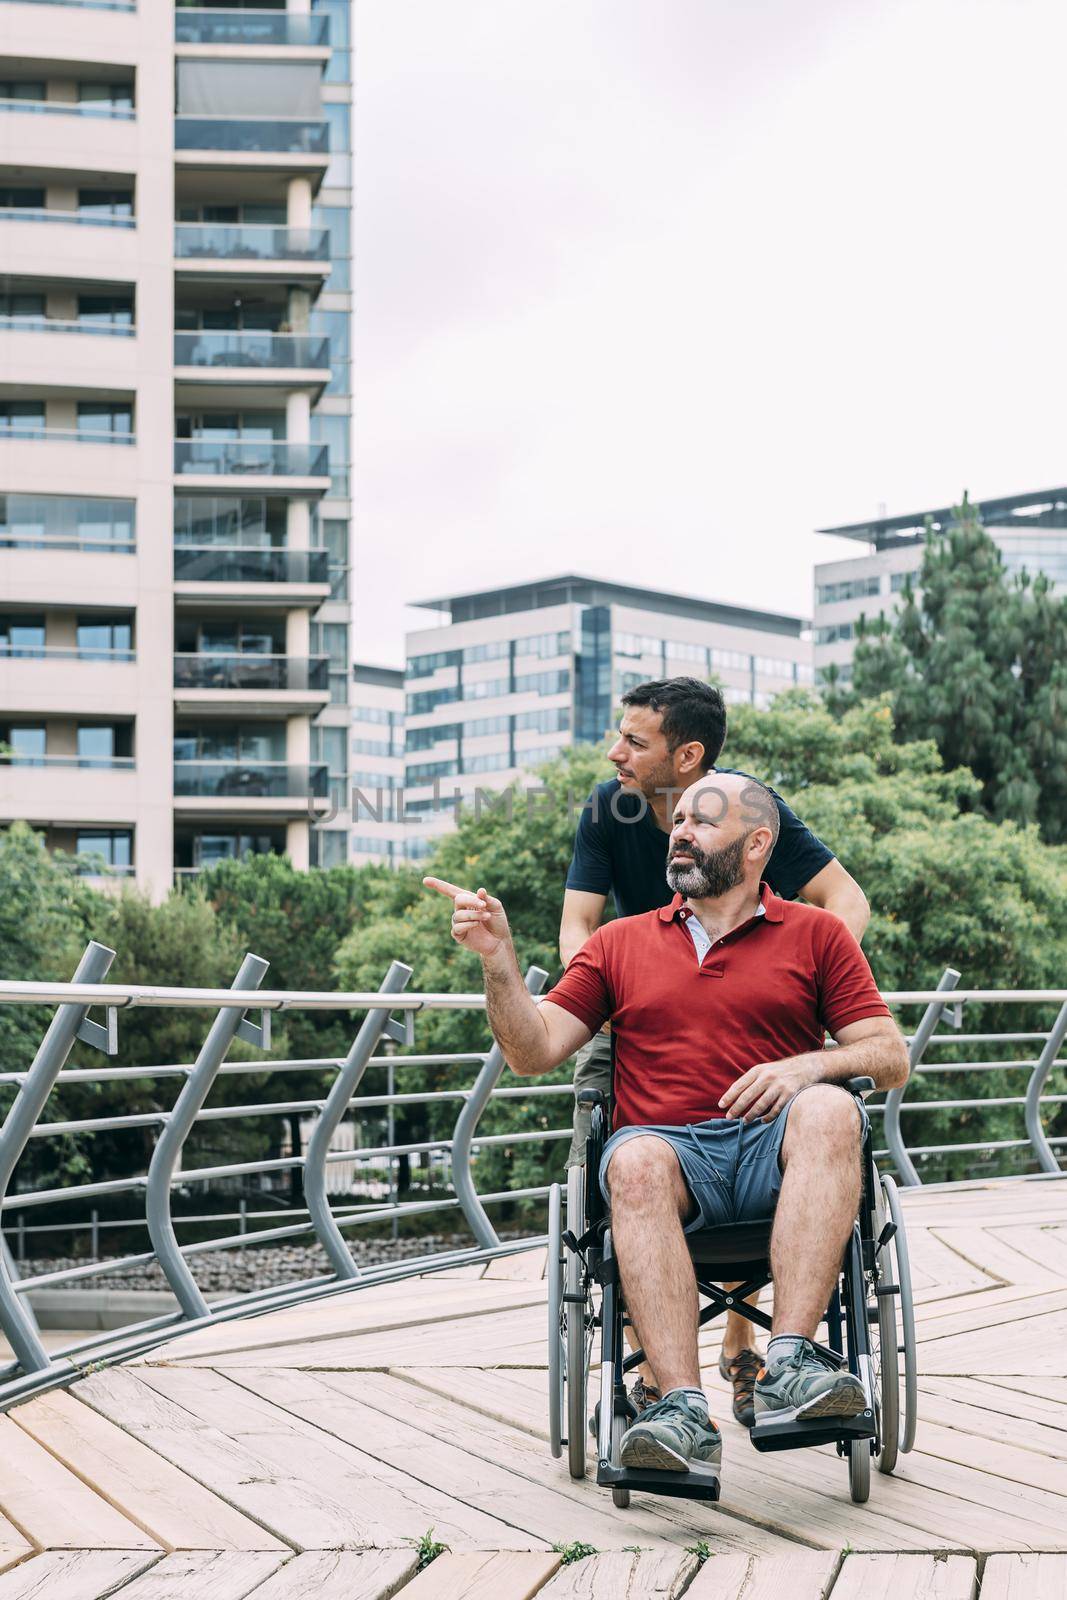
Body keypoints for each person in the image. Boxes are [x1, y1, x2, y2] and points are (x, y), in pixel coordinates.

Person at [425, 771, 907, 1479]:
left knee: (834, 1107)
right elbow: (532, 1052)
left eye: (702, 820)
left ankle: (791, 1364)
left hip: (778, 1149)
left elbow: (888, 1055)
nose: (679, 830)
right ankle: (680, 1410)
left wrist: (805, 1068)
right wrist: (498, 963)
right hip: (671, 1157)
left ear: (756, 845)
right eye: (677, 818)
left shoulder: (816, 936)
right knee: (631, 1162)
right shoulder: (617, 944)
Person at [561, 676, 870, 1428]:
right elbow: (578, 922)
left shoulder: (747, 809)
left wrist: (805, 983)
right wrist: (597, 1001)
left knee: (779, 1117)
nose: (616, 753)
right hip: (637, 986)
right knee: (606, 1134)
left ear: (687, 755)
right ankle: (646, 1353)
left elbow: (846, 901)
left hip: (744, 989)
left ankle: (747, 1338)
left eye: (635, 741)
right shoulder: (610, 806)